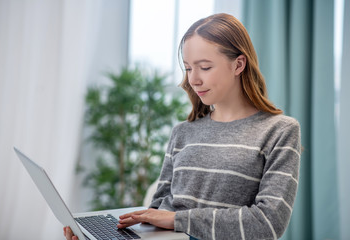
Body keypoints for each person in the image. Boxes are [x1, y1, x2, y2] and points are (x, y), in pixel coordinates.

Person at [64, 13, 301, 240]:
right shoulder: (183, 132)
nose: (193, 79)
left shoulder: (279, 131)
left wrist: (177, 219)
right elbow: (157, 211)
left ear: (238, 65)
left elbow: (269, 222)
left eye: (205, 67)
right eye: (188, 68)